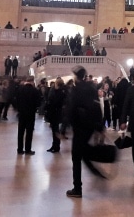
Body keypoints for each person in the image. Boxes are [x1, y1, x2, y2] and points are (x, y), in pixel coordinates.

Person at [66, 65, 105, 198]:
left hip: (79, 127)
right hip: (90, 127)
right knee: (83, 153)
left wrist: (63, 127)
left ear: (76, 76)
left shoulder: (76, 90)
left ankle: (77, 188)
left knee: (76, 157)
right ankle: (96, 172)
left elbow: (71, 109)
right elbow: (97, 107)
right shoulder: (92, 88)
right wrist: (100, 127)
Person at [15, 76, 42, 155]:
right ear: (32, 81)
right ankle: (28, 149)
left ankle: (19, 149)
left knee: (20, 131)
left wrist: (19, 108)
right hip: (30, 113)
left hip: (21, 113)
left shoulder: (20, 89)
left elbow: (15, 100)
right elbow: (38, 103)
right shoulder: (35, 90)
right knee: (29, 132)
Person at [46, 77, 67, 153]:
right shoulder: (55, 90)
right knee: (54, 130)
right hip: (53, 112)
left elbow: (55, 101)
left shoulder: (60, 92)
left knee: (55, 130)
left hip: (56, 112)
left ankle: (56, 146)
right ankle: (54, 145)